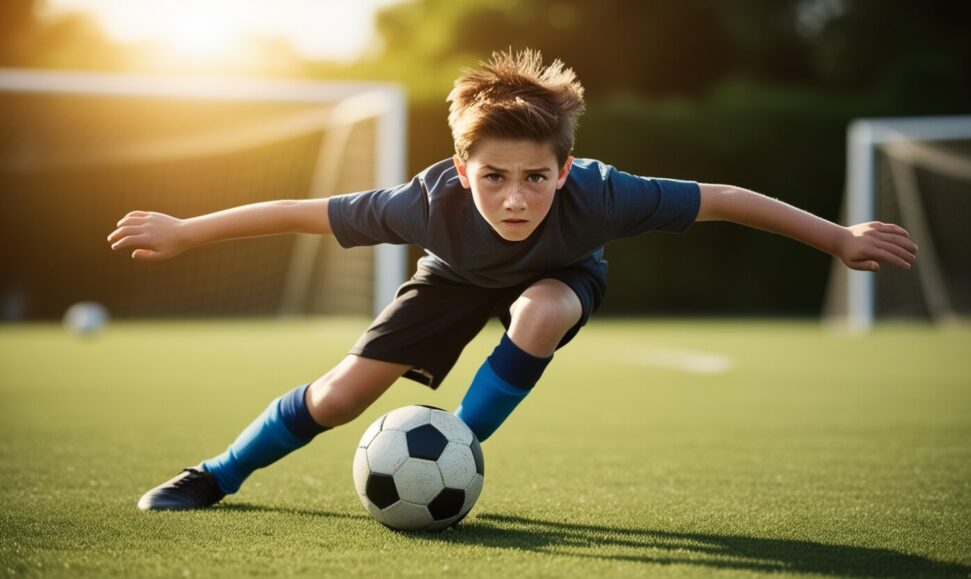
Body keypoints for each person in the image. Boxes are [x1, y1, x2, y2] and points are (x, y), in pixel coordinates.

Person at [108, 49, 917, 511]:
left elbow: (727, 199)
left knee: (540, 311)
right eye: (494, 176)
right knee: (340, 397)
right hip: (453, 275)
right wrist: (189, 230)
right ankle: (216, 473)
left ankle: (453, 453)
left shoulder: (605, 193)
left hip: (562, 275)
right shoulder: (423, 205)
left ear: (565, 169)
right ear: (463, 170)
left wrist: (837, 237)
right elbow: (299, 210)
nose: (516, 195)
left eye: (536, 176)